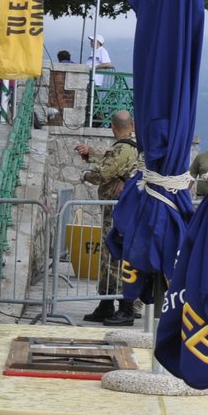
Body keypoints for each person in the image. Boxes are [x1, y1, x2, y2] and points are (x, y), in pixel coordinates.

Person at [76, 108, 140, 324]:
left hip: (117, 211)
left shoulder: (123, 148)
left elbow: (104, 173)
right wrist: (92, 152)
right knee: (112, 255)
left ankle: (124, 307)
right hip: (126, 210)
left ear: (113, 127)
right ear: (132, 126)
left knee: (114, 255)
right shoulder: (137, 146)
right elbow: (112, 159)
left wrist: (85, 175)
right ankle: (106, 304)